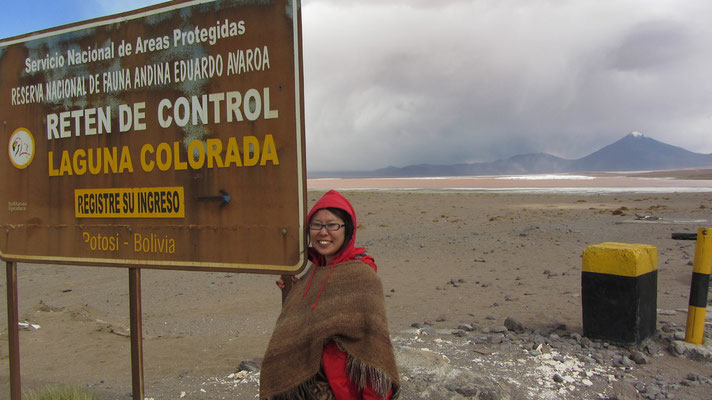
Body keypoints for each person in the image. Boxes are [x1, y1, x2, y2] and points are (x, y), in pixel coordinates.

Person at [260, 190, 400, 400]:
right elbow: (318, 311)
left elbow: (372, 350)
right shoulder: (313, 271)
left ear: (348, 229)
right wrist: (296, 294)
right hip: (310, 387)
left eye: (332, 225)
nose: (323, 232)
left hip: (345, 389)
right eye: (316, 225)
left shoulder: (361, 277)